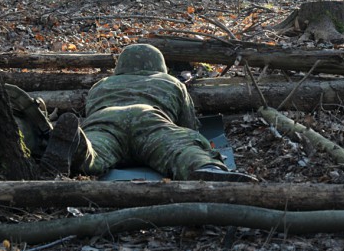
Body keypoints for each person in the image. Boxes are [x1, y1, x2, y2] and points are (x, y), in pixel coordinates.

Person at [39, 43, 257, 182]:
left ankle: (77, 146)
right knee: (180, 149)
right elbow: (188, 125)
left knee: (94, 152)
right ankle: (206, 168)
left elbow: (92, 111)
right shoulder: (170, 82)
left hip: (105, 120)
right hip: (149, 120)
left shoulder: (101, 84)